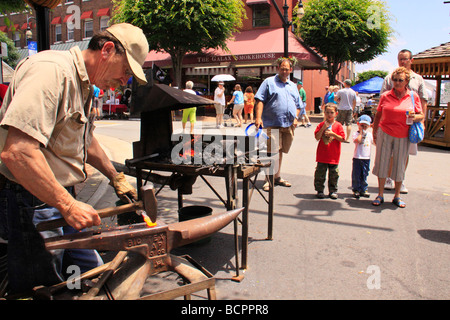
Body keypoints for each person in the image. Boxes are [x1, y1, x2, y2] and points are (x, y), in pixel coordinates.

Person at [0, 23, 147, 293]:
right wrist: (68, 205)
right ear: (107, 50)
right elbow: (18, 151)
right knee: (44, 286)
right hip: (32, 201)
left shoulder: (84, 85)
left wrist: (115, 178)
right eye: (126, 71)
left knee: (87, 276)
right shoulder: (51, 71)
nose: (124, 81)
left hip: (58, 195)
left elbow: (85, 142)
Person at [371, 67, 424, 208]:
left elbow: (421, 115)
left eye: (400, 80)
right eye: (395, 80)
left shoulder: (413, 96)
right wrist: (375, 132)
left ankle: (397, 196)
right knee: (382, 163)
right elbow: (378, 115)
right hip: (385, 132)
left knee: (400, 164)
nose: (397, 83)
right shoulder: (385, 95)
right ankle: (380, 194)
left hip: (403, 134)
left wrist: (415, 116)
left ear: (407, 81)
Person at [380, 49, 428, 194]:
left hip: (409, 124)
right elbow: (383, 100)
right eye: (400, 59)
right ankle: (389, 178)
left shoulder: (418, 79)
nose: (402, 61)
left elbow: (423, 101)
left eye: (405, 59)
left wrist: (422, 120)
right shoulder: (390, 77)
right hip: (390, 125)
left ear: (411, 60)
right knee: (390, 154)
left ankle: (401, 179)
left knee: (404, 153)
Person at [254, 57, 302, 191]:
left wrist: (296, 117)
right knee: (272, 152)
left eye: (287, 69)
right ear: (278, 69)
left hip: (288, 124)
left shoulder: (293, 85)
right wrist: (258, 118)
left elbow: (299, 105)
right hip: (272, 123)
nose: (285, 71)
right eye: (282, 68)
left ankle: (277, 176)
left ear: (290, 70)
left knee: (280, 150)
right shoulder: (269, 82)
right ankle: (268, 179)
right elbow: (260, 100)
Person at [313, 103, 346, 199]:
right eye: (327, 112)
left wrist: (333, 134)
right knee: (320, 174)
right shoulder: (321, 125)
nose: (329, 115)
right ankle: (319, 190)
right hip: (322, 155)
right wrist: (323, 128)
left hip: (333, 156)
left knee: (334, 174)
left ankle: (333, 190)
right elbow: (317, 137)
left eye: (332, 112)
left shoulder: (338, 126)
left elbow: (342, 138)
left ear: (336, 113)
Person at [351, 114, 374, 198]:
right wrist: (361, 132)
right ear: (358, 124)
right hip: (357, 157)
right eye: (362, 125)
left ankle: (363, 189)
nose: (363, 127)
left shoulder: (370, 135)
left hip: (366, 158)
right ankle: (356, 189)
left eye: (365, 126)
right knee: (356, 174)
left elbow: (375, 143)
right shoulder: (356, 134)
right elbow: (358, 141)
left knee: (364, 173)